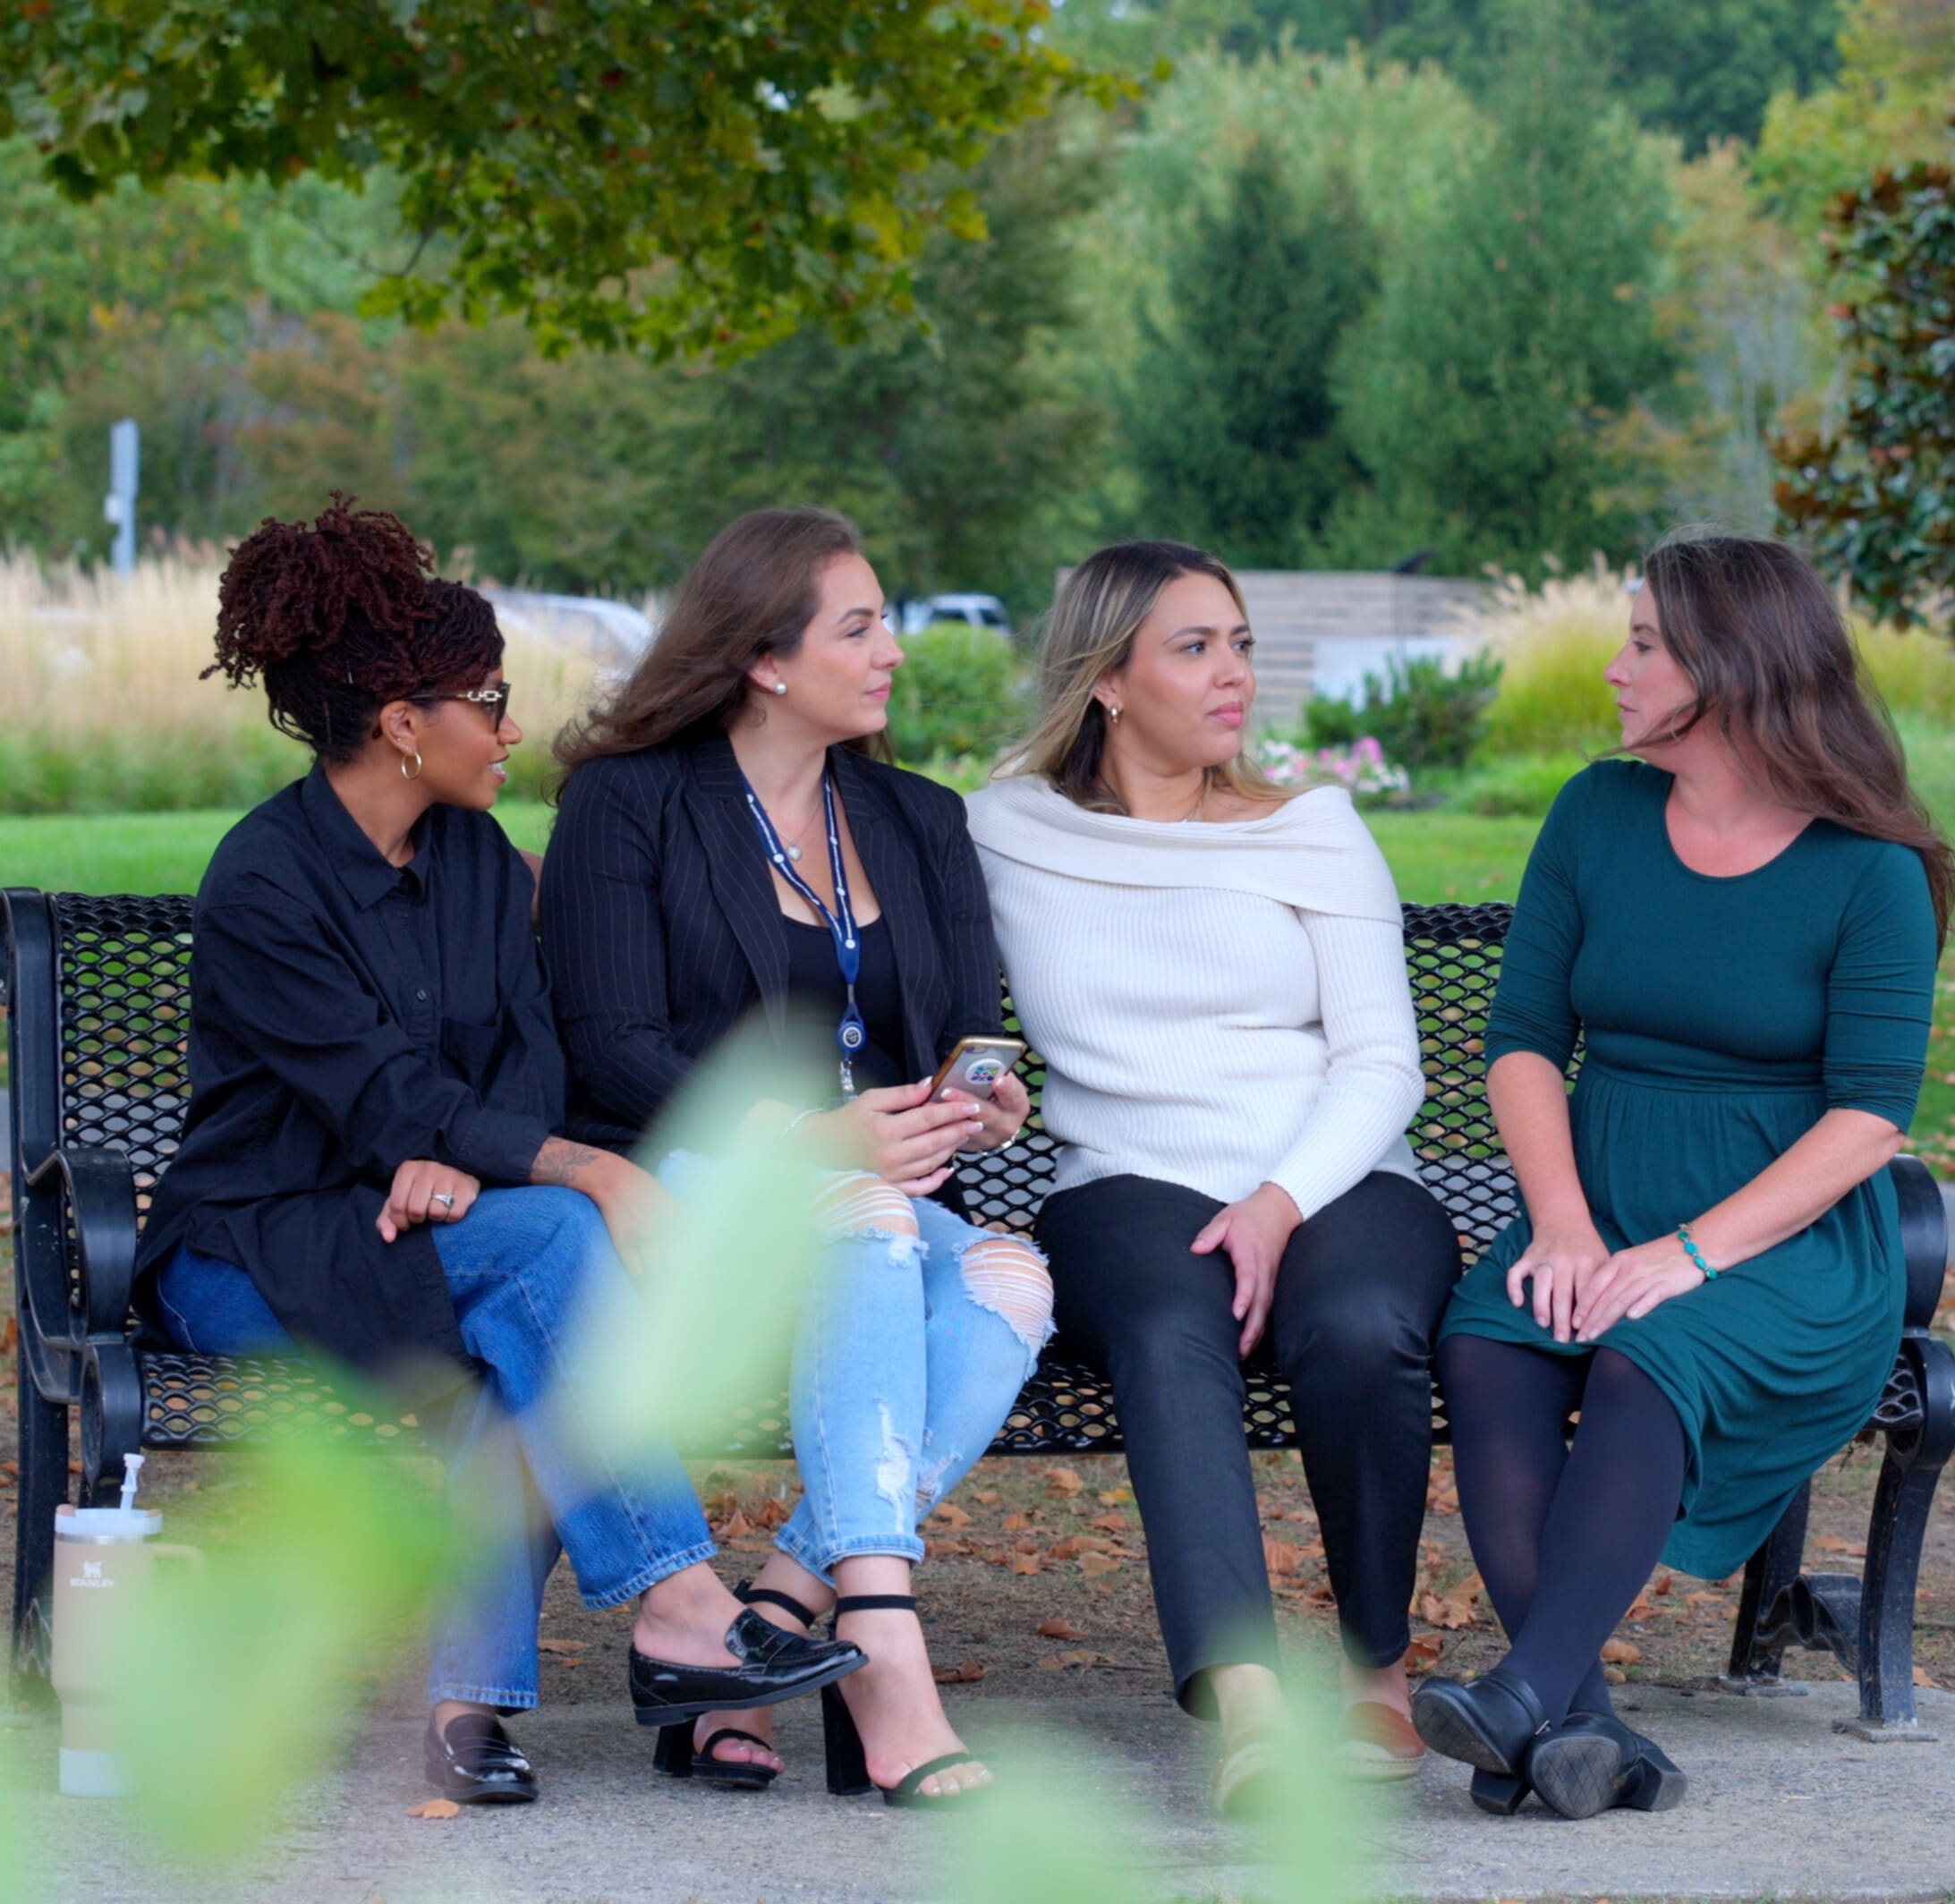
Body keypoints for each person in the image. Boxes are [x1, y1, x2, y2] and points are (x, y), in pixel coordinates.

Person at [136, 496, 863, 1807]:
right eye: (489, 697)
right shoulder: (264, 882)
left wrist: (472, 1163)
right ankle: (683, 1606)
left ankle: (472, 1714)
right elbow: (375, 1091)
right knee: (552, 1251)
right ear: (403, 724)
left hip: (429, 1228)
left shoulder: (477, 859)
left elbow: (528, 1060)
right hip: (259, 1241)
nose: (514, 726)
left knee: (519, 1346)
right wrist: (574, 1165)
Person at [1412, 531, 1947, 1820]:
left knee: (1648, 1349)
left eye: (1643, 643)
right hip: (1592, 1203)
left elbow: (1869, 1121)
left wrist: (1683, 1257)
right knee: (1493, 1340)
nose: (1613, 666)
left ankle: (1527, 1689)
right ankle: (1575, 1725)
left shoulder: (1868, 872)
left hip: (1785, 1241)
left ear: (1733, 663)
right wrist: (1562, 1226)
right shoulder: (1596, 813)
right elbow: (1523, 1041)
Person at [540, 506, 1053, 1806]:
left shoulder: (915, 817)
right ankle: (884, 1660)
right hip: (688, 1175)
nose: (892, 648)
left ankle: (770, 1621)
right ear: (765, 657)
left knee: (1010, 1283)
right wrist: (799, 1136)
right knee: (858, 1218)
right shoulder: (629, 802)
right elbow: (609, 1045)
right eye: (859, 625)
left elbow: (958, 1029)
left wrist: (977, 1101)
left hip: (872, 1180)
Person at [965, 540, 1462, 1812]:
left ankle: (1374, 1669)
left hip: (1334, 1175)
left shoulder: (1311, 831)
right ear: (1108, 681)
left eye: (1238, 643)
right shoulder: (1006, 829)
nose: (1233, 673)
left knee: (1356, 1325)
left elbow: (1381, 1062)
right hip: (1123, 1176)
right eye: (1194, 647)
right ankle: (1244, 1705)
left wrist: (1278, 1199)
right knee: (1167, 1325)